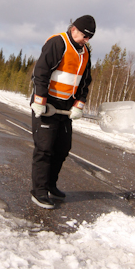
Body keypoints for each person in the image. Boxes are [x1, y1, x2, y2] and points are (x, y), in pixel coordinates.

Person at [30, 15, 96, 209]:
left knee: (62, 148)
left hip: (65, 108)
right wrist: (40, 100)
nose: (87, 40)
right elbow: (40, 73)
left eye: (90, 38)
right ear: (74, 29)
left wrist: (80, 103)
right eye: (85, 36)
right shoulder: (58, 43)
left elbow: (85, 81)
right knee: (44, 149)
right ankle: (39, 191)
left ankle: (50, 185)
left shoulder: (85, 53)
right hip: (47, 105)